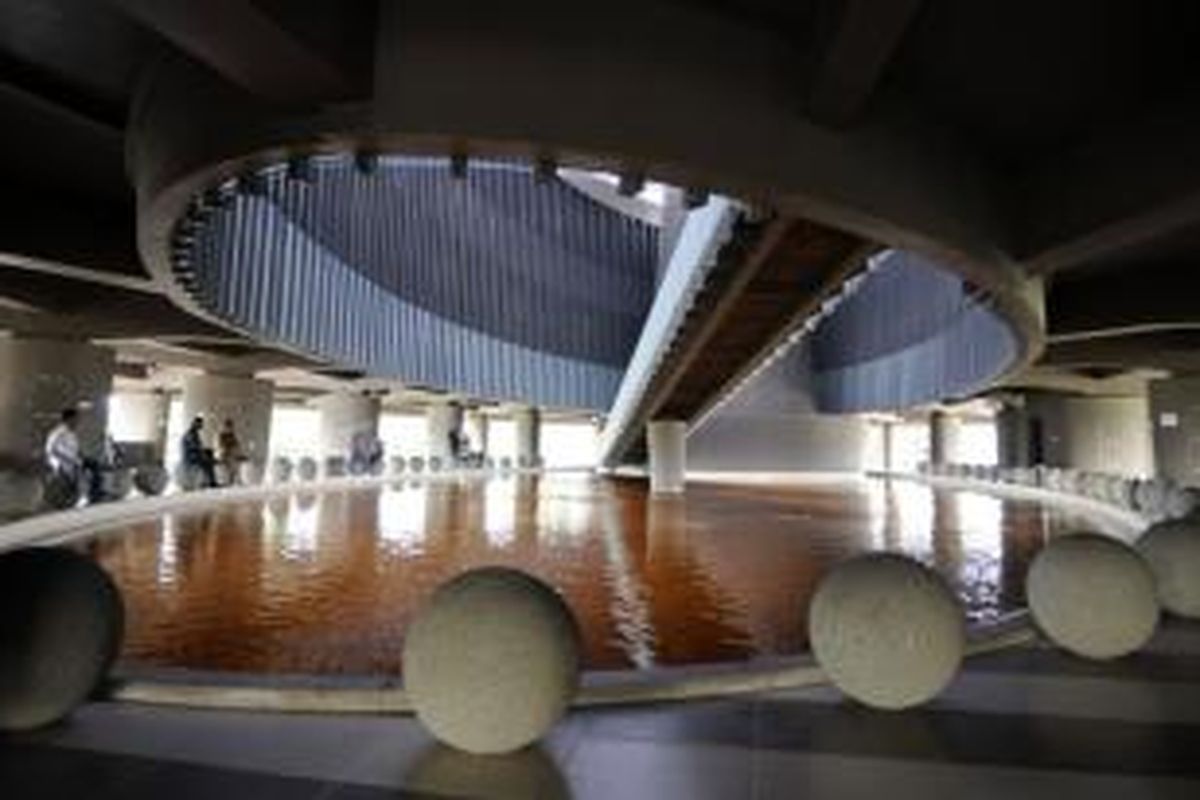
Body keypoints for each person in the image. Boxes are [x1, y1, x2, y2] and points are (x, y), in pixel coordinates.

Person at [181, 416, 218, 488]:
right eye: (200, 424)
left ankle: (210, 480)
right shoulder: (190, 434)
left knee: (209, 455)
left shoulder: (194, 434)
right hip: (191, 456)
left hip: (194, 454)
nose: (201, 426)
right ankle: (211, 481)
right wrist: (203, 452)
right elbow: (194, 447)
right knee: (208, 461)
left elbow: (198, 446)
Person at [217, 418, 244, 486]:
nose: (230, 429)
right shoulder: (221, 435)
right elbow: (220, 446)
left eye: (231, 427)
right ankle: (230, 480)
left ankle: (235, 479)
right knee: (230, 466)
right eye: (228, 427)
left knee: (234, 465)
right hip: (224, 455)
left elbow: (237, 445)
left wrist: (239, 454)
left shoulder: (232, 435)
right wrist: (225, 450)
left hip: (231, 455)